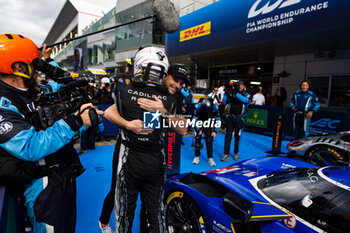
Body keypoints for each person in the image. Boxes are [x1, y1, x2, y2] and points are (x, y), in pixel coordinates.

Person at [0, 34, 101, 233]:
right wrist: (77, 121)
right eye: (33, 64)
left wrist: (47, 61)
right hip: (42, 186)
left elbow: (62, 82)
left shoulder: (32, 90)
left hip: (62, 174)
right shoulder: (4, 104)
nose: (37, 68)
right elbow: (30, 147)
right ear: (19, 67)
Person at [99, 47, 187, 233]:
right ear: (165, 74)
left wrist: (163, 112)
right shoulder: (167, 98)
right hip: (135, 158)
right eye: (175, 80)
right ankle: (104, 222)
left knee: (140, 214)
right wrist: (129, 125)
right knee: (135, 208)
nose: (178, 85)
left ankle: (108, 223)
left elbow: (181, 127)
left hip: (147, 161)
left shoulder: (127, 91)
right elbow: (110, 113)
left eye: (181, 83)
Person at [221, 80, 251, 161]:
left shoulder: (246, 94)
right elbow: (224, 102)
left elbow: (246, 101)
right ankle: (226, 153)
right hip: (230, 117)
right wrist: (226, 93)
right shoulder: (231, 93)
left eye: (241, 85)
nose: (239, 86)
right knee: (228, 136)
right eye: (238, 85)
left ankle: (236, 152)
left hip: (240, 118)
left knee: (238, 136)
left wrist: (236, 94)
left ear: (244, 86)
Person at [192, 98, 221, 166]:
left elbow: (218, 119)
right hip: (200, 120)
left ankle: (210, 158)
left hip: (209, 120)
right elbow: (194, 120)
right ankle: (196, 156)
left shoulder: (215, 107)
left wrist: (215, 131)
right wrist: (199, 129)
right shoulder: (197, 107)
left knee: (209, 139)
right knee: (198, 138)